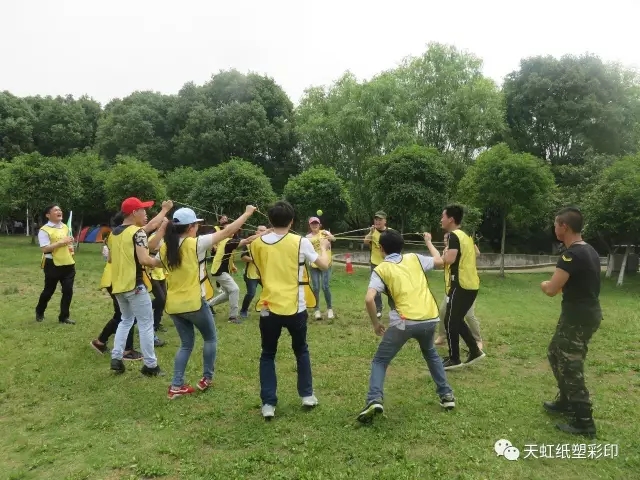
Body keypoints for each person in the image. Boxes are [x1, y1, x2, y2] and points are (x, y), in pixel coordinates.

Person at [154, 206, 258, 399]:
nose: (197, 228)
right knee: (210, 339)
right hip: (194, 302)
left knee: (186, 345)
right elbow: (227, 231)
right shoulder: (196, 244)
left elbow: (153, 262)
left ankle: (176, 386)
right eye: (196, 225)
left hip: (174, 305)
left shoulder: (165, 247)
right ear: (190, 227)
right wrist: (247, 213)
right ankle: (206, 379)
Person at [357, 230, 455, 424]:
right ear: (402, 246)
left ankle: (374, 399)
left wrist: (376, 324)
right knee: (431, 354)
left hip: (404, 321)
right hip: (430, 318)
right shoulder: (414, 258)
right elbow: (441, 261)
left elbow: (369, 299)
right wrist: (429, 242)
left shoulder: (381, 269)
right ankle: (447, 395)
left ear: (381, 248)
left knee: (380, 361)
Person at [249, 200, 331, 420]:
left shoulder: (256, 243)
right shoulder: (300, 241)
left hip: (268, 307)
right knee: (301, 350)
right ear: (292, 221)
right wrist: (324, 248)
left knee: (268, 354)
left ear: (269, 220)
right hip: (296, 307)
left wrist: (266, 233)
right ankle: (307, 395)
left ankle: (268, 404)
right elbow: (323, 264)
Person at [540, 207, 601, 437]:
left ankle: (584, 421)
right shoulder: (589, 250)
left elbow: (552, 289)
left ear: (564, 226)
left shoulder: (571, 255)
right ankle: (566, 400)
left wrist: (544, 284)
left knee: (570, 365)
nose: (554, 228)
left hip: (578, 317)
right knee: (555, 353)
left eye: (556, 224)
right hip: (584, 313)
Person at [108, 197, 173, 376]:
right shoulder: (137, 233)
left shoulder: (114, 234)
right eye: (143, 210)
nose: (145, 213)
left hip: (118, 286)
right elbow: (145, 260)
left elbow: (111, 258)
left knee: (126, 320)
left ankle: (116, 357)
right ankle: (151, 365)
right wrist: (163, 262)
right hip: (135, 285)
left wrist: (164, 210)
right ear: (134, 212)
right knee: (146, 324)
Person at [440, 204, 485, 370]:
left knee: (451, 320)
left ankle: (455, 359)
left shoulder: (453, 236)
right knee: (454, 319)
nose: (441, 220)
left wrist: (440, 255)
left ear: (451, 219)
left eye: (443, 217)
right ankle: (474, 351)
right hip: (470, 284)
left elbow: (449, 259)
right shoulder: (465, 236)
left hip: (461, 284)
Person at [90, 230, 142, 360]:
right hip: (116, 280)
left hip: (115, 279)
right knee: (128, 315)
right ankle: (126, 350)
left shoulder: (119, 234)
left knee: (121, 314)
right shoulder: (124, 235)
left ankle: (100, 342)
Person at [435, 232, 483, 351]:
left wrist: (471, 245)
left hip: (467, 287)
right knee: (443, 311)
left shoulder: (464, 249)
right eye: (445, 239)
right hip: (451, 288)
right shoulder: (447, 251)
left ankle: (477, 340)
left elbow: (477, 253)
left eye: (448, 239)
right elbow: (442, 264)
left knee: (469, 315)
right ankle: (442, 335)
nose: (446, 241)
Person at [35, 205, 76, 324]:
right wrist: (61, 242)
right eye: (56, 210)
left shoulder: (65, 227)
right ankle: (39, 311)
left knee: (68, 291)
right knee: (49, 291)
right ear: (48, 215)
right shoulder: (44, 230)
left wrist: (70, 243)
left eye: (60, 210)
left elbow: (68, 243)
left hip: (68, 263)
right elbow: (45, 249)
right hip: (52, 264)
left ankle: (64, 317)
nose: (59, 211)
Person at [209, 229, 254, 324]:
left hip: (219, 270)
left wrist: (232, 266)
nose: (233, 231)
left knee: (228, 293)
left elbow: (227, 256)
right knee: (234, 290)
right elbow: (248, 240)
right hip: (219, 271)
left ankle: (208, 305)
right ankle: (233, 317)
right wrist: (265, 233)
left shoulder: (225, 241)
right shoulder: (228, 242)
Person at [306, 217, 336, 320]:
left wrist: (330, 236)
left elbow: (334, 239)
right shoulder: (307, 237)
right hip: (314, 264)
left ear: (319, 225)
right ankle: (317, 310)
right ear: (309, 225)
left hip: (326, 263)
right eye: (312, 224)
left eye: (316, 223)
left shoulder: (324, 232)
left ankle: (329, 309)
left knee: (325, 286)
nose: (314, 225)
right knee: (316, 287)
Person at [364, 211, 392, 318]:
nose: (377, 221)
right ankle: (378, 309)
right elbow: (366, 242)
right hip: (375, 264)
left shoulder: (390, 232)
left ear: (385, 221)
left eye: (380, 219)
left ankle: (395, 308)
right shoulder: (372, 231)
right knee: (375, 287)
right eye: (376, 219)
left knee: (391, 287)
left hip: (388, 264)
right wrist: (371, 233)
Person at [239, 225, 268, 318]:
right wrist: (254, 260)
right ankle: (243, 310)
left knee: (268, 292)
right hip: (251, 274)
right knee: (251, 293)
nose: (263, 232)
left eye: (264, 231)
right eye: (260, 230)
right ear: (256, 232)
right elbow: (243, 257)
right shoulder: (249, 244)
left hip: (264, 274)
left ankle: (265, 310)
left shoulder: (269, 244)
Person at [148, 232, 168, 346]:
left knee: (163, 300)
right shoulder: (153, 237)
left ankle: (156, 324)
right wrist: (160, 249)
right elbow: (149, 249)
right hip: (151, 273)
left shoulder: (164, 238)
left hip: (161, 273)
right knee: (161, 299)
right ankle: (142, 310)